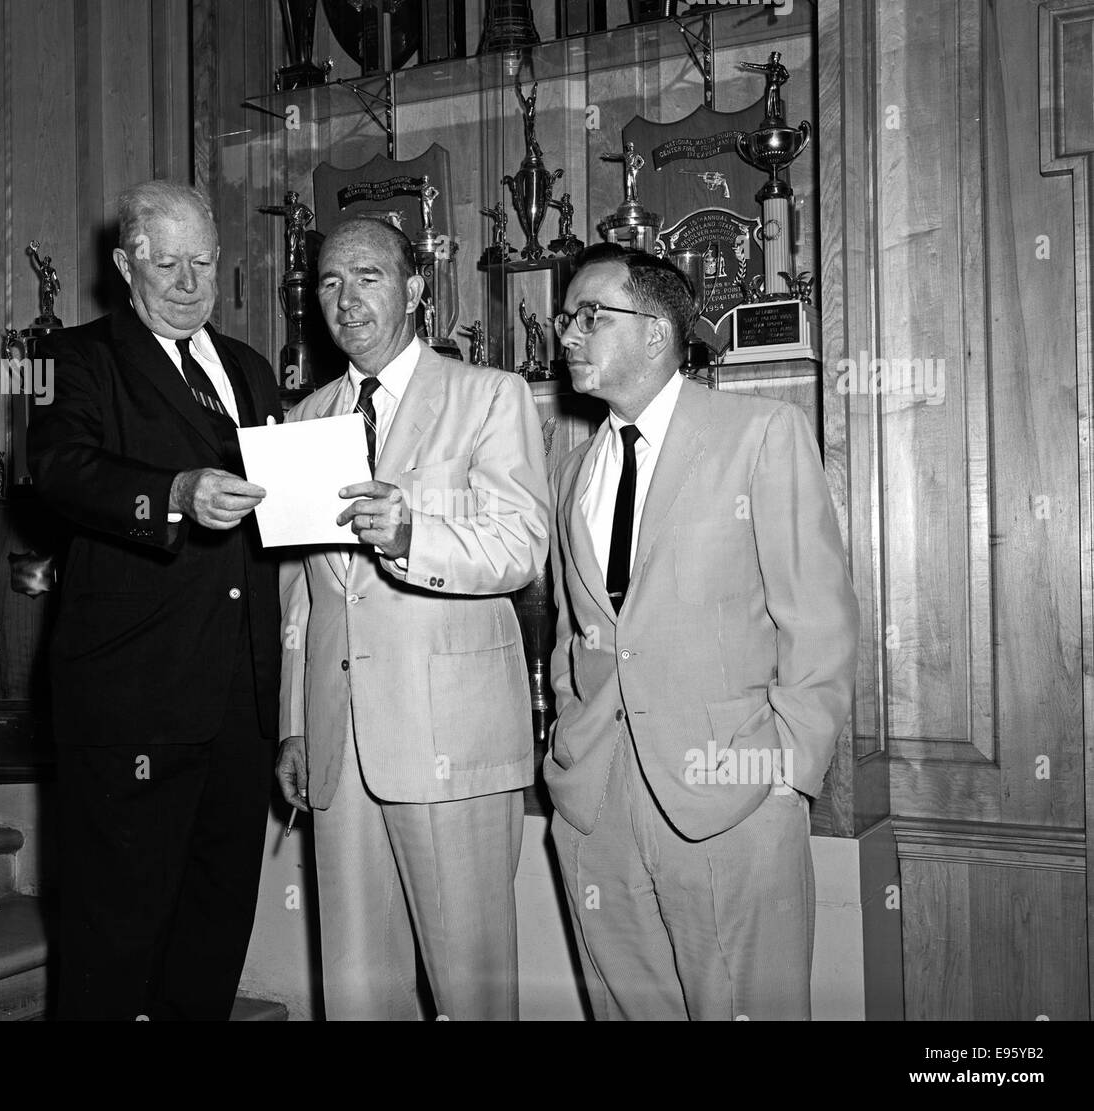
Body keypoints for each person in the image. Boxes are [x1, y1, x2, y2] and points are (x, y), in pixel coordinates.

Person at [545, 242, 859, 1020]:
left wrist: (786, 779)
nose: (568, 336)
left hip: (733, 801)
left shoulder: (762, 434)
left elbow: (818, 620)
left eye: (591, 316)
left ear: (656, 332)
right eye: (566, 319)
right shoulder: (572, 469)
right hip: (597, 806)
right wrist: (568, 747)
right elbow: (571, 632)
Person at [275, 215, 550, 1020]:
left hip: (450, 740)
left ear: (417, 290)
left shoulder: (488, 395)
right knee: (358, 989)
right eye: (328, 281)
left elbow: (520, 544)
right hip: (340, 738)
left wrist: (413, 534)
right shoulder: (305, 416)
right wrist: (297, 718)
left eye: (367, 276)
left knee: (472, 988)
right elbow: (304, 589)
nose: (345, 298)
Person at [28, 180, 283, 1021]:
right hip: (130, 706)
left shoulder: (248, 368)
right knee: (112, 944)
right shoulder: (76, 358)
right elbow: (60, 472)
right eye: (165, 262)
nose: (185, 281)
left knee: (212, 939)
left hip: (238, 711)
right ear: (123, 265)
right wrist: (173, 492)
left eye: (201, 261)